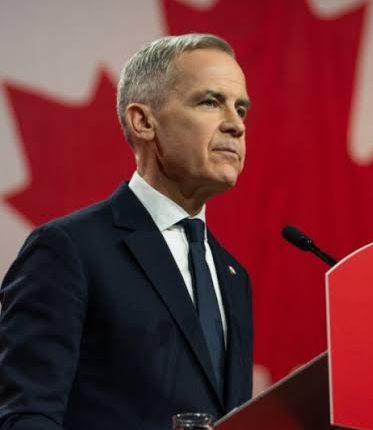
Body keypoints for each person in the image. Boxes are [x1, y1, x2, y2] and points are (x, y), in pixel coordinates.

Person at [0, 33, 253, 429]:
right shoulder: (69, 250)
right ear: (144, 121)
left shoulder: (233, 276)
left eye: (241, 109)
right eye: (209, 101)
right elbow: (27, 415)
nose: (236, 125)